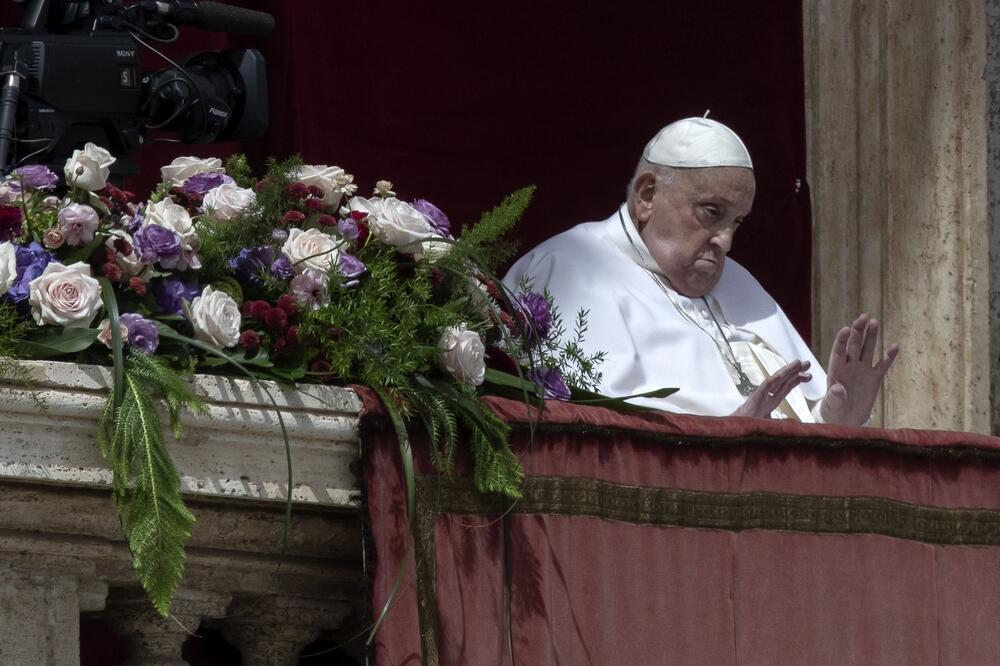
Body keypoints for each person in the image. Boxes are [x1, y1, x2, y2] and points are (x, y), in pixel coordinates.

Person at [503, 117, 898, 424]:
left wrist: (834, 416)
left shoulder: (738, 281)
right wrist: (723, 437)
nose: (725, 242)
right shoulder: (569, 267)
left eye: (737, 222)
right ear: (647, 195)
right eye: (712, 213)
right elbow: (587, 437)